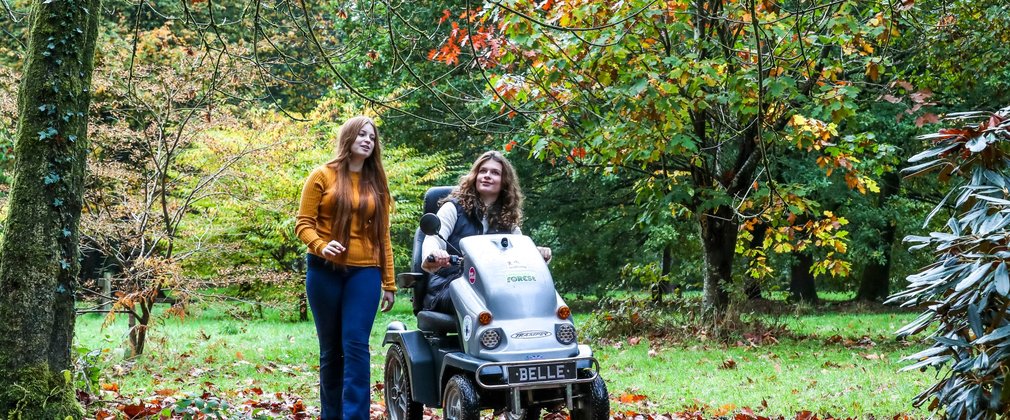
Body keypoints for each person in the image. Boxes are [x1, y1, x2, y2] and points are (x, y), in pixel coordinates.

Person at [295, 115, 396, 420]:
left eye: (372, 137)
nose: (368, 140)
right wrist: (321, 245)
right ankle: (331, 415)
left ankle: (354, 416)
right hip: (324, 272)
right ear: (348, 138)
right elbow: (303, 224)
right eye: (362, 135)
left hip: (364, 272)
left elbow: (383, 235)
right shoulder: (321, 176)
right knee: (330, 350)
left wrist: (389, 283)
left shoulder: (376, 181)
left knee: (354, 345)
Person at [420, 150, 551, 314]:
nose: (487, 175)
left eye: (495, 172)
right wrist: (434, 254)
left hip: (493, 290)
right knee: (485, 302)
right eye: (483, 171)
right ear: (475, 176)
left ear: (504, 182)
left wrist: (537, 253)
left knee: (525, 301)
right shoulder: (453, 208)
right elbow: (432, 238)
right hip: (450, 286)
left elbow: (521, 254)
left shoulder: (508, 223)